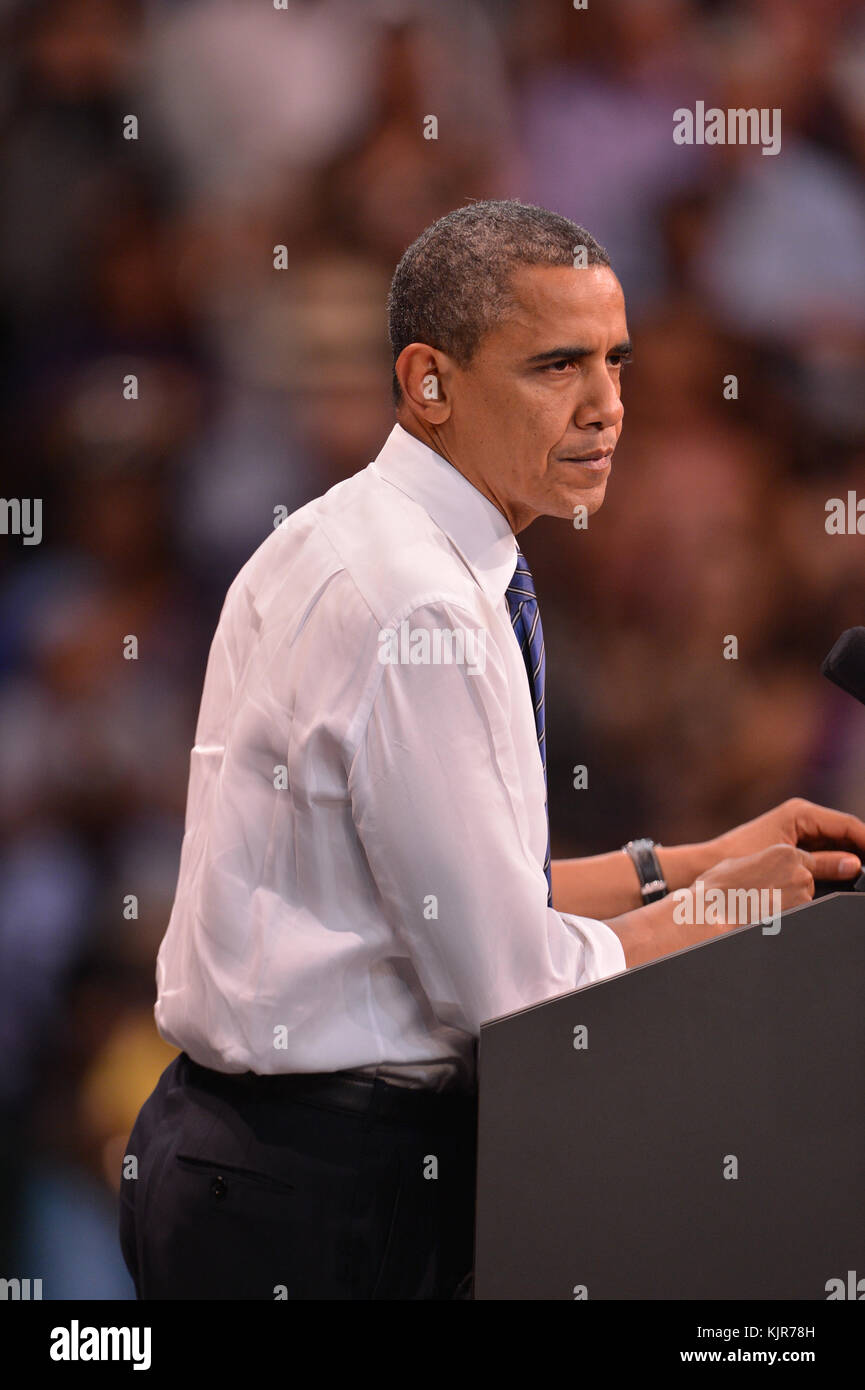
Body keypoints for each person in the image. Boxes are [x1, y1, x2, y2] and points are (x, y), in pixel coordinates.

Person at [119, 200, 865, 1300]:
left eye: (616, 362)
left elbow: (447, 903)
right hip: (316, 1188)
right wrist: (729, 911)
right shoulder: (415, 606)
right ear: (430, 382)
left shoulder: (361, 538)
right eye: (556, 366)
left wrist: (687, 865)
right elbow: (513, 988)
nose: (607, 407)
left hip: (261, 1159)